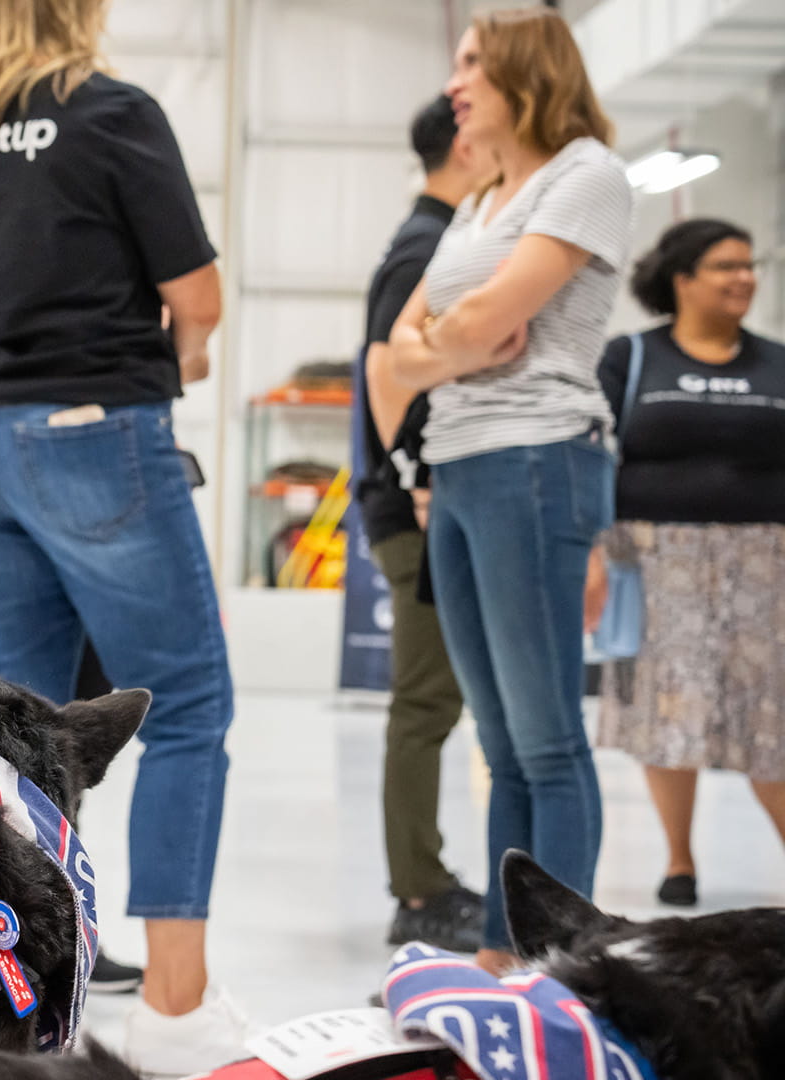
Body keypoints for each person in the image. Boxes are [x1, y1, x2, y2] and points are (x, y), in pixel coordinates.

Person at [0, 0, 237, 1070]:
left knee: (20, 731)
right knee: (184, 704)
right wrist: (185, 355)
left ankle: (20, 993)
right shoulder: (111, 113)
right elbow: (198, 296)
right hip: (88, 427)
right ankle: (176, 1012)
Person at [386, 8, 632, 973]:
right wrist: (455, 343)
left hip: (537, 458)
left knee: (548, 740)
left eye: (472, 64)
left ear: (526, 70)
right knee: (502, 744)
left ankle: (561, 967)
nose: (455, 83)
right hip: (458, 466)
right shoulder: (485, 196)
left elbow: (485, 319)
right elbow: (402, 348)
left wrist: (448, 341)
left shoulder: (586, 175)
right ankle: (501, 955)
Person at [589, 219, 785, 908]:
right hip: (655, 563)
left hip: (767, 565)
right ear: (682, 279)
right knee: (670, 709)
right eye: (726, 266)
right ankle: (679, 859)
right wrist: (591, 549)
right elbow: (594, 452)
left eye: (749, 265)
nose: (744, 278)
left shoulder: (776, 362)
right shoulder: (632, 357)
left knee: (771, 717)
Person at [357, 94, 490, 953]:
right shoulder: (429, 243)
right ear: (467, 147)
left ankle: (424, 876)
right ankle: (418, 888)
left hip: (415, 497)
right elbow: (390, 372)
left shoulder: (434, 236)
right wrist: (415, 475)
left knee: (432, 698)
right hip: (417, 505)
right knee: (426, 700)